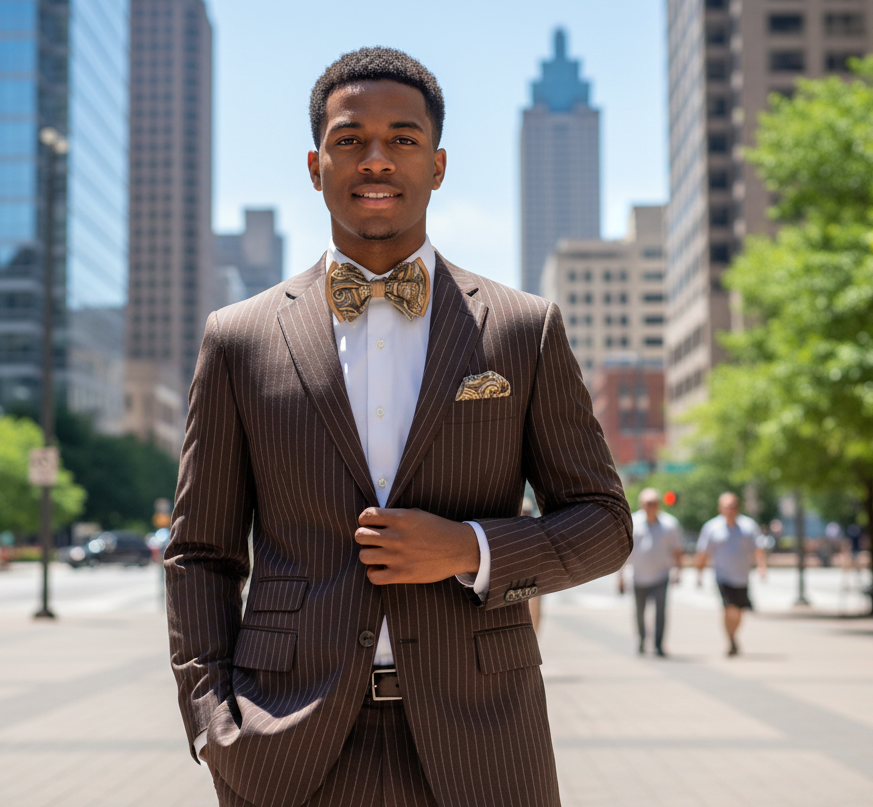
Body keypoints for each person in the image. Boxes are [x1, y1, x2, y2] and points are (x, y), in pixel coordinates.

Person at [165, 48, 632, 807]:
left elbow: (605, 524)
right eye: (350, 139)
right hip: (284, 745)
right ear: (315, 165)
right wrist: (212, 722)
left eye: (402, 139)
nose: (376, 159)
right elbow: (199, 553)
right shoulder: (239, 337)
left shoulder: (523, 329)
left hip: (483, 742)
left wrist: (467, 548)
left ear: (438, 165)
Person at [695, 492, 767, 657]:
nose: (730, 509)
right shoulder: (712, 527)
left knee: (739, 611)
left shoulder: (748, 526)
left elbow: (758, 549)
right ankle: (731, 641)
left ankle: (733, 636)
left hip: (741, 576)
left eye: (733, 506)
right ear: (720, 508)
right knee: (729, 608)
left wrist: (762, 567)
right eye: (727, 506)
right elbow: (703, 553)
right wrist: (699, 574)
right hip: (722, 576)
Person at [618, 488, 683, 657]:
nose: (650, 506)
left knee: (660, 612)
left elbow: (677, 550)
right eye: (647, 503)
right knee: (639, 612)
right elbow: (624, 551)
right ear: (641, 504)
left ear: (659, 504)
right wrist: (620, 576)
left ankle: (659, 645)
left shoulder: (669, 524)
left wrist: (678, 571)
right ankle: (641, 640)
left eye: (653, 503)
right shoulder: (632, 521)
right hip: (639, 576)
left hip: (661, 576)